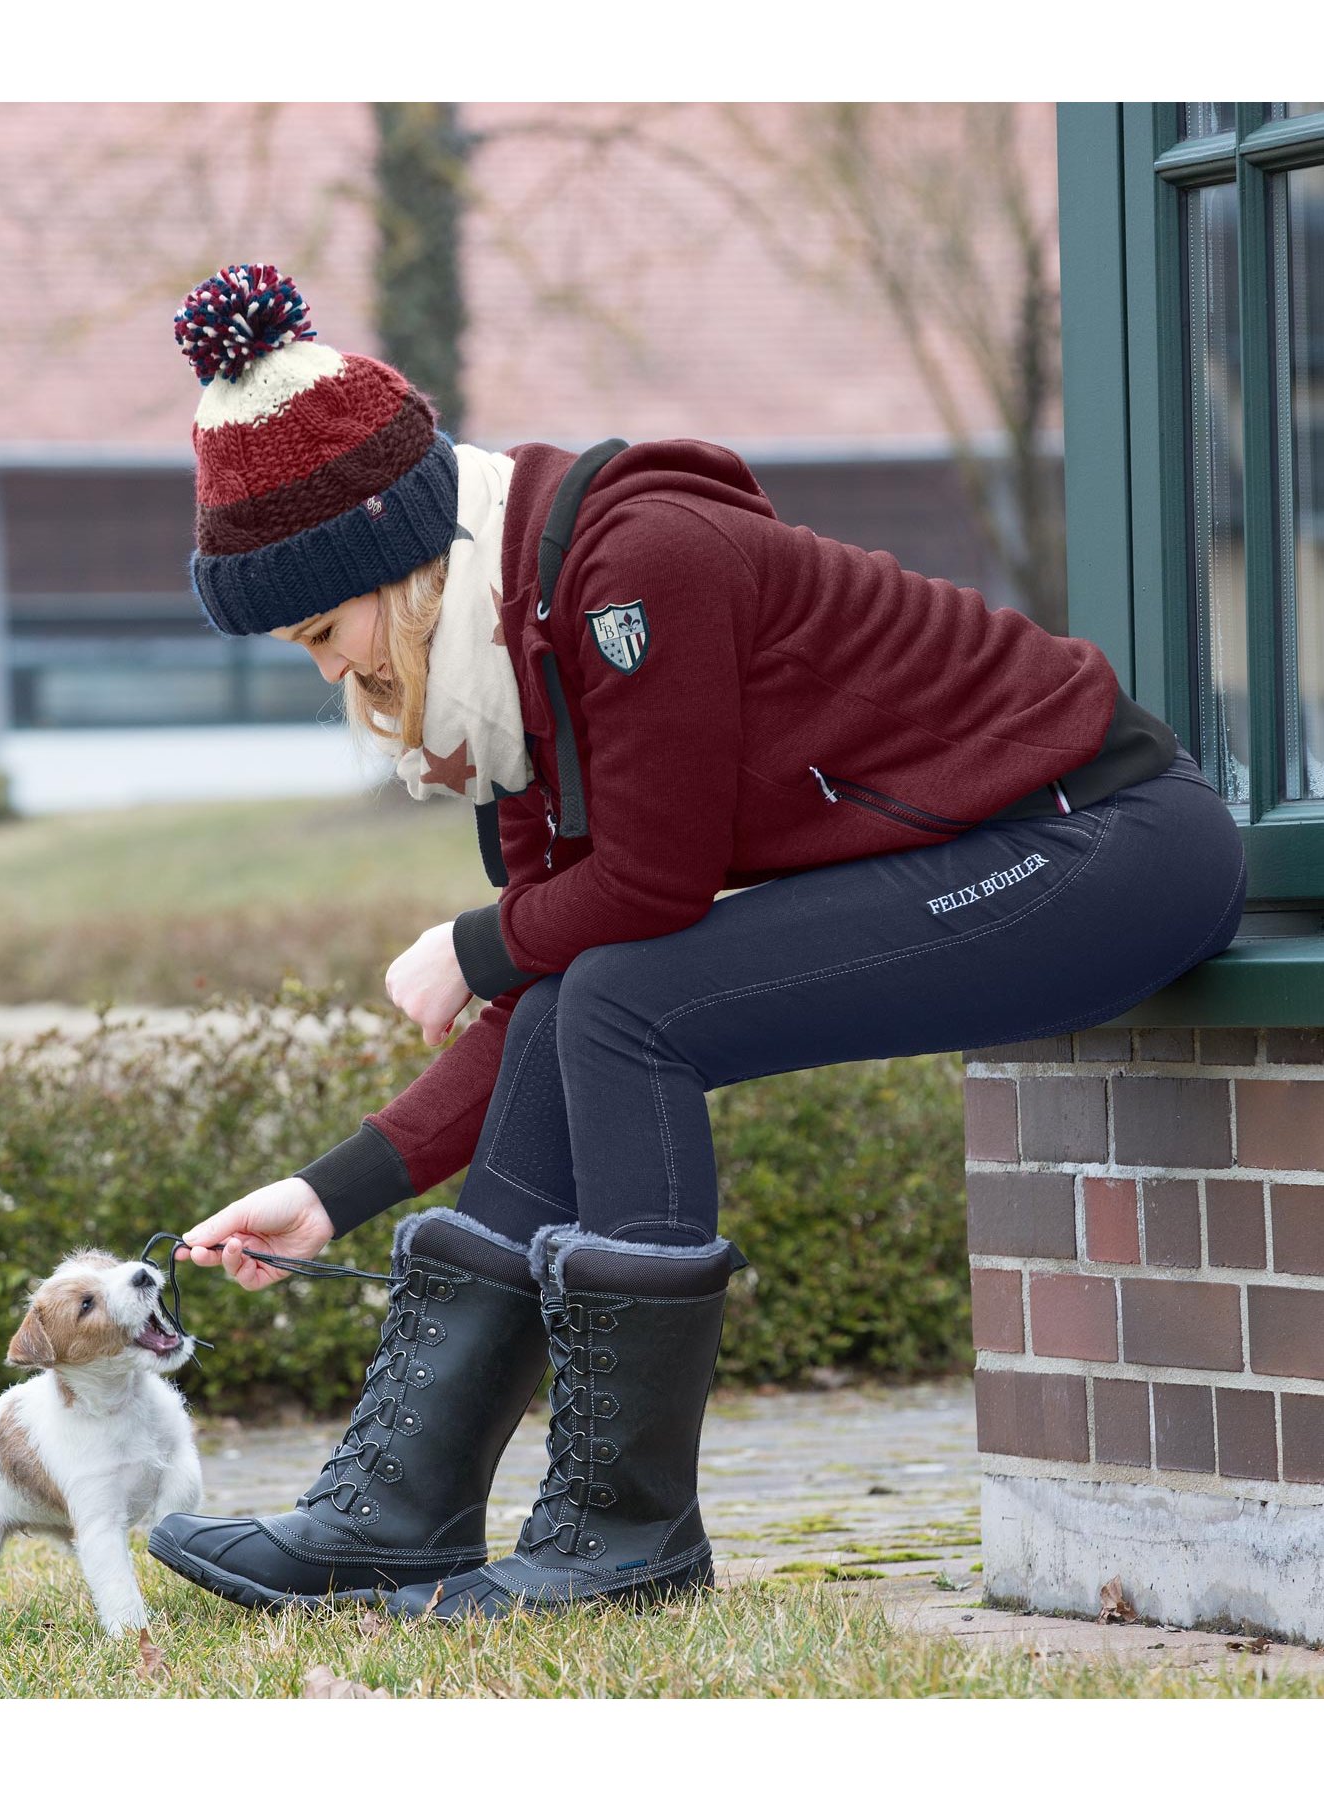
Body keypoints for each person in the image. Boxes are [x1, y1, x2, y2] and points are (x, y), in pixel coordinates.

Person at [146, 263, 1248, 1621]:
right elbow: (552, 982)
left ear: (405, 567)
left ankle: (626, 1532)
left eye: (326, 629)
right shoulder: (515, 680)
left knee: (622, 1003)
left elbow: (649, 891)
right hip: (998, 858)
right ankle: (395, 1513)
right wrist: (332, 1192)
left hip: (1104, 846)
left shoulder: (630, 572)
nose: (330, 672)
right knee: (583, 1002)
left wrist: (474, 941)